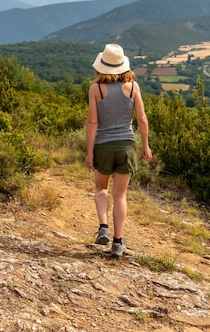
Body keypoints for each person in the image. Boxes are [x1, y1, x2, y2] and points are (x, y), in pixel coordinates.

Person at [85, 43, 152, 258]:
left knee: (101, 189)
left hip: (103, 147)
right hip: (126, 147)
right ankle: (118, 242)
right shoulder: (133, 87)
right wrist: (146, 145)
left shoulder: (95, 89)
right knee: (120, 195)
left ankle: (103, 227)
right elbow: (141, 118)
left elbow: (92, 123)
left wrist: (89, 152)